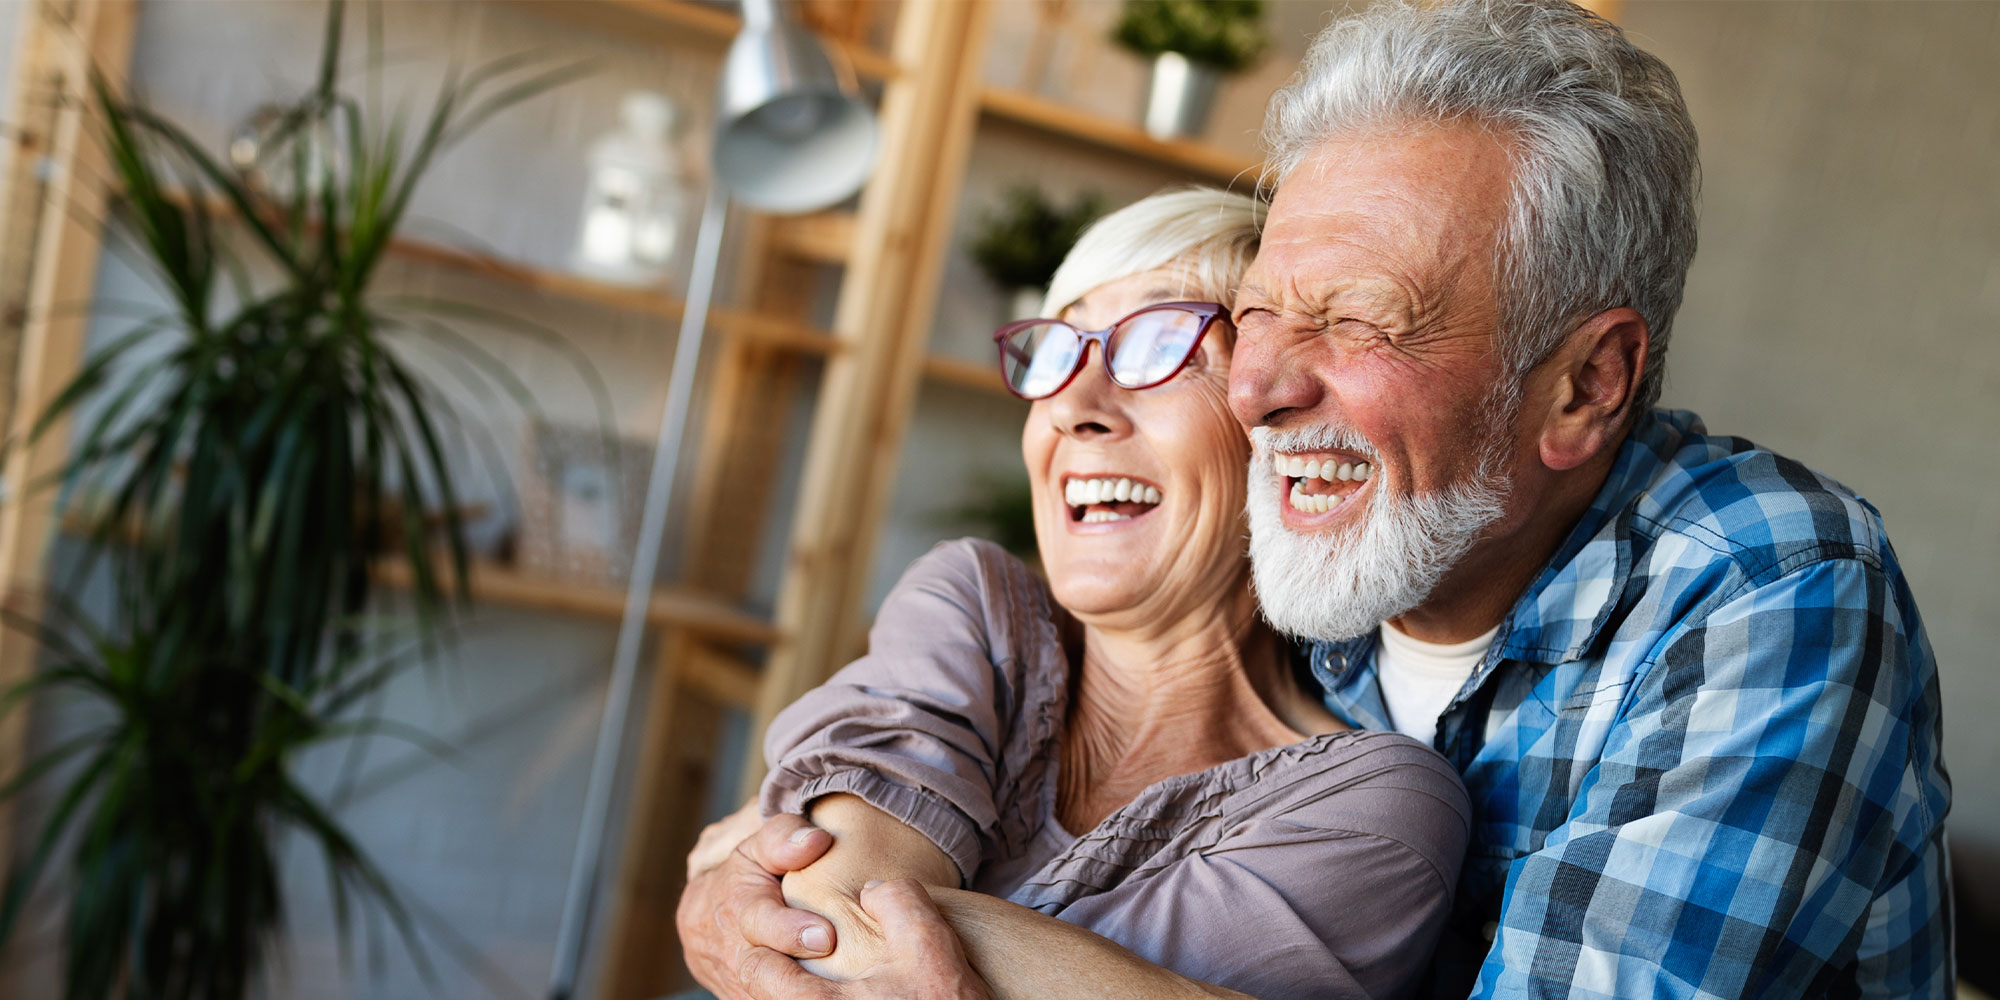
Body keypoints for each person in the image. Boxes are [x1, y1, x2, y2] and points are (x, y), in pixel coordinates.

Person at [679, 1, 1953, 997]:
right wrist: (746, 862)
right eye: (1255, 317)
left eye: (1356, 321)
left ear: (1582, 386)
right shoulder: (1321, 575)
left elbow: (810, 879)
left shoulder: (1762, 583)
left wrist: (818, 901)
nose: (1259, 386)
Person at [690, 187, 1470, 1000]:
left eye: (1159, 345)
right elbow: (824, 925)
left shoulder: (1374, 810)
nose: (1071, 407)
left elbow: (827, 915)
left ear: (1276, 422)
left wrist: (773, 869)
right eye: (1058, 353)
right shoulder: (977, 607)